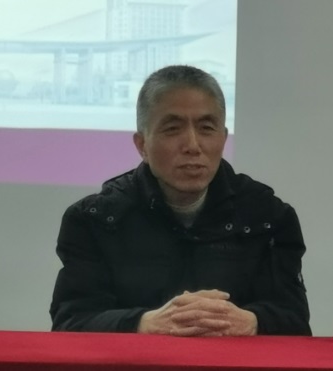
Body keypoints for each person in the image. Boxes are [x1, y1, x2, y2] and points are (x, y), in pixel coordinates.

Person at [50, 65, 311, 336]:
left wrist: (251, 321)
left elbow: (295, 321)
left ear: (223, 138)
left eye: (206, 128)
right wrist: (143, 323)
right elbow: (70, 322)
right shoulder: (94, 220)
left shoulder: (268, 217)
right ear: (142, 145)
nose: (192, 146)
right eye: (173, 129)